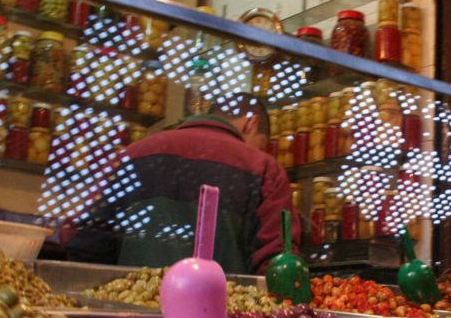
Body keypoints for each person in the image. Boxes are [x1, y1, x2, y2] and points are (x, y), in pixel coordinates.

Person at [66, 92, 300, 274]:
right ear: (251, 123)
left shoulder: (131, 156)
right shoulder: (264, 168)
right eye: (261, 144)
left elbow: (84, 242)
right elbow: (278, 265)